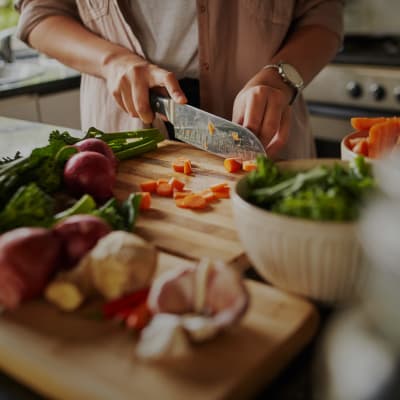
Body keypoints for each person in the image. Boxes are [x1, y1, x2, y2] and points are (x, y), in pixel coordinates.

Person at [15, 0, 343, 160]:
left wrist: (280, 77)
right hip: (128, 128)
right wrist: (112, 62)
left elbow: (323, 16)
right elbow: (40, 14)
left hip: (265, 132)